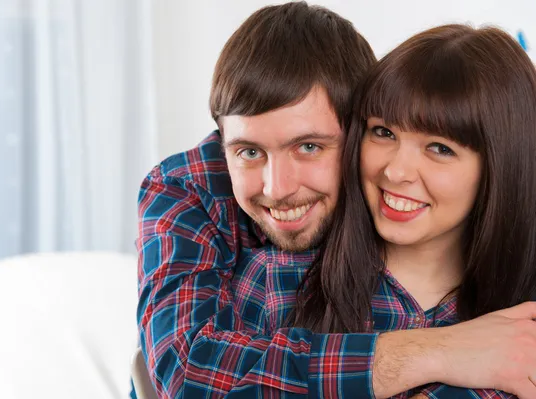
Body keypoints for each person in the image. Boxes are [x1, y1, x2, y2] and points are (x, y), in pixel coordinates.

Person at [136, 2, 536, 398]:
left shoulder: (512, 306)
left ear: (352, 129)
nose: (277, 188)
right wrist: (439, 351)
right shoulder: (265, 273)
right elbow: (191, 371)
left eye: (308, 146)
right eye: (385, 133)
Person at [290, 24, 536, 398]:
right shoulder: (278, 282)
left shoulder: (525, 324)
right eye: (383, 132)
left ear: (502, 168)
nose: (395, 172)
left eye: (439, 148)